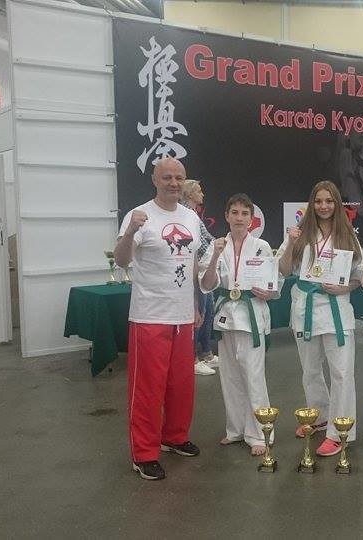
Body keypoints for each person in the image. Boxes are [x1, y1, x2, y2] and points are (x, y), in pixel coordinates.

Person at [114, 157, 209, 481]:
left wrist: (194, 305)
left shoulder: (190, 217)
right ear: (155, 180)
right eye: (166, 177)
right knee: (148, 389)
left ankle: (175, 436)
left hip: (182, 316)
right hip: (150, 315)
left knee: (181, 385)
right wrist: (130, 232)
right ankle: (143, 453)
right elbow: (121, 261)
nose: (173, 183)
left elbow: (192, 264)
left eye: (178, 177)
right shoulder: (139, 215)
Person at [277, 181, 363, 457]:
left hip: (336, 309)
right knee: (311, 370)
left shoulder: (347, 234)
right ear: (311, 204)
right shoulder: (300, 233)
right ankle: (320, 416)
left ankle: (340, 431)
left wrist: (344, 288)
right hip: (306, 308)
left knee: (341, 373)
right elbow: (284, 269)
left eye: (329, 201)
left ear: (336, 203)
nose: (324, 206)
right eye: (318, 201)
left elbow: (359, 276)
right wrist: (290, 243)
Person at [200, 194, 280, 457]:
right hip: (226, 316)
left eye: (244, 214)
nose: (239, 218)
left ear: (251, 219)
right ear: (226, 216)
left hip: (251, 314)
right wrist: (215, 256)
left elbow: (273, 284)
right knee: (230, 376)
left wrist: (269, 292)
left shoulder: (262, 246)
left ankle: (260, 433)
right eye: (234, 213)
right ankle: (235, 429)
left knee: (253, 376)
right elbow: (207, 284)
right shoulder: (216, 246)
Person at [181, 179, 219, 376]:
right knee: (200, 314)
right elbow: (201, 244)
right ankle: (192, 358)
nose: (202, 194)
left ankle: (206, 352)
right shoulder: (187, 215)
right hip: (196, 271)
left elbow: (208, 238)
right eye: (199, 191)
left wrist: (218, 247)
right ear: (189, 194)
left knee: (208, 311)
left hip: (205, 268)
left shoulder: (194, 214)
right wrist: (216, 252)